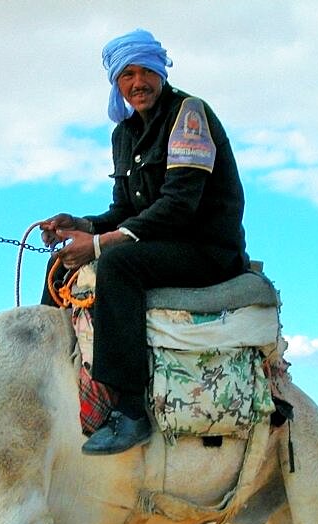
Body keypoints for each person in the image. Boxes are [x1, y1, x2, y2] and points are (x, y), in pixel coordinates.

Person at [41, 29, 249, 455]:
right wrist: (78, 224)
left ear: (160, 70)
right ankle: (54, 380)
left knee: (118, 267)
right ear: (116, 82)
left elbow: (178, 206)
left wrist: (99, 246)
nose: (138, 83)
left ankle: (130, 411)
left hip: (206, 249)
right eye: (127, 75)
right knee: (60, 265)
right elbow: (124, 210)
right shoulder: (124, 134)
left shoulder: (190, 115)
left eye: (146, 71)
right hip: (159, 244)